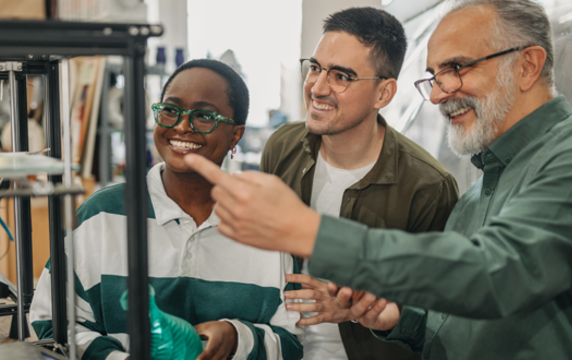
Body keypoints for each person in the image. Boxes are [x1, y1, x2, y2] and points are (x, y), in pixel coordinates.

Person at [184, 0, 572, 359]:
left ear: (527, 66)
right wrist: (396, 315)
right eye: (433, 76)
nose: (436, 95)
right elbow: (454, 322)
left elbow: (496, 273)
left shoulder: (560, 157)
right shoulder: (478, 193)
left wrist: (310, 231)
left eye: (454, 69)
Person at [29, 59, 304, 360]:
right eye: (171, 110)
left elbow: (295, 340)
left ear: (236, 135)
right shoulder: (101, 216)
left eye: (204, 116)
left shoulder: (268, 225)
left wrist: (237, 339)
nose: (182, 126)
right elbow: (52, 323)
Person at [261, 7, 458, 360]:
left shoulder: (428, 187)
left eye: (341, 76)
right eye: (316, 68)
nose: (317, 87)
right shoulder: (283, 147)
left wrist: (358, 307)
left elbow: (438, 319)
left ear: (384, 94)